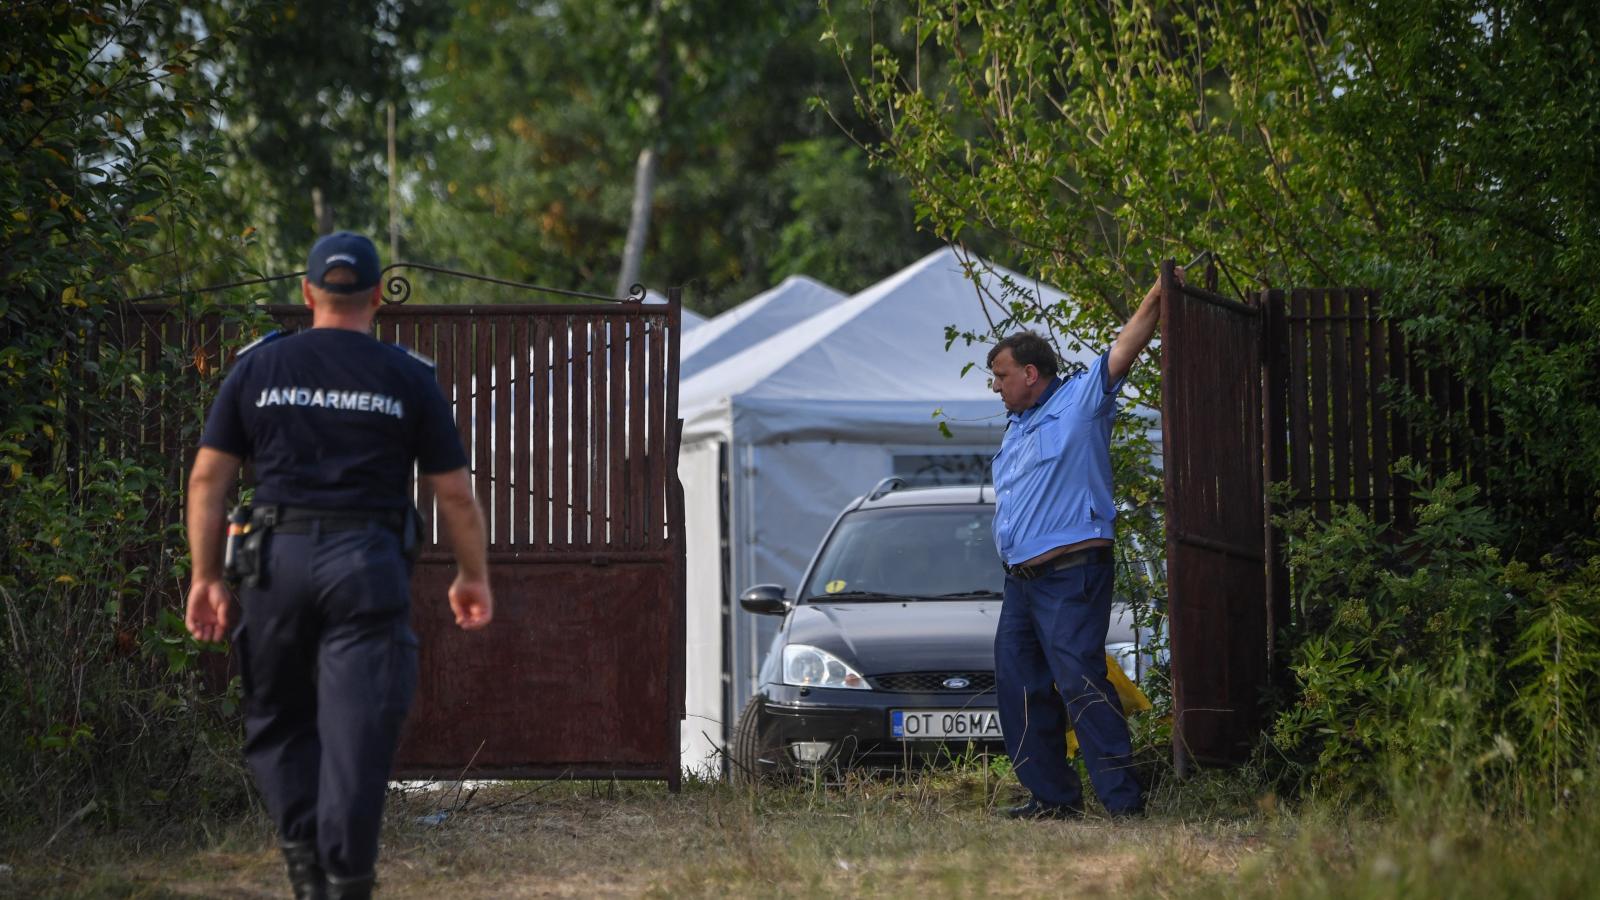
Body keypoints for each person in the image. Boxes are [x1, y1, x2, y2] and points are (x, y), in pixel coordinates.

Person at [184, 232, 493, 899]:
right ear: (379, 296)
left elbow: (208, 479)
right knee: (360, 726)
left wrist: (206, 577)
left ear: (307, 293)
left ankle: (305, 867)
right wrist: (472, 576)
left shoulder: (259, 368)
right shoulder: (407, 376)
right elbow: (455, 494)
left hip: (275, 564)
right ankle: (347, 877)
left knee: (279, 718)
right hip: (365, 564)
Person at [987, 267, 1179, 820]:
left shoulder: (1080, 401)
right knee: (1020, 685)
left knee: (1080, 682)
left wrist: (1159, 291)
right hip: (1021, 582)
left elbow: (1125, 346)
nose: (995, 387)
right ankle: (1052, 798)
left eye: (1000, 375)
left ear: (1030, 373)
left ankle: (1122, 804)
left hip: (1071, 574)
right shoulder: (1017, 427)